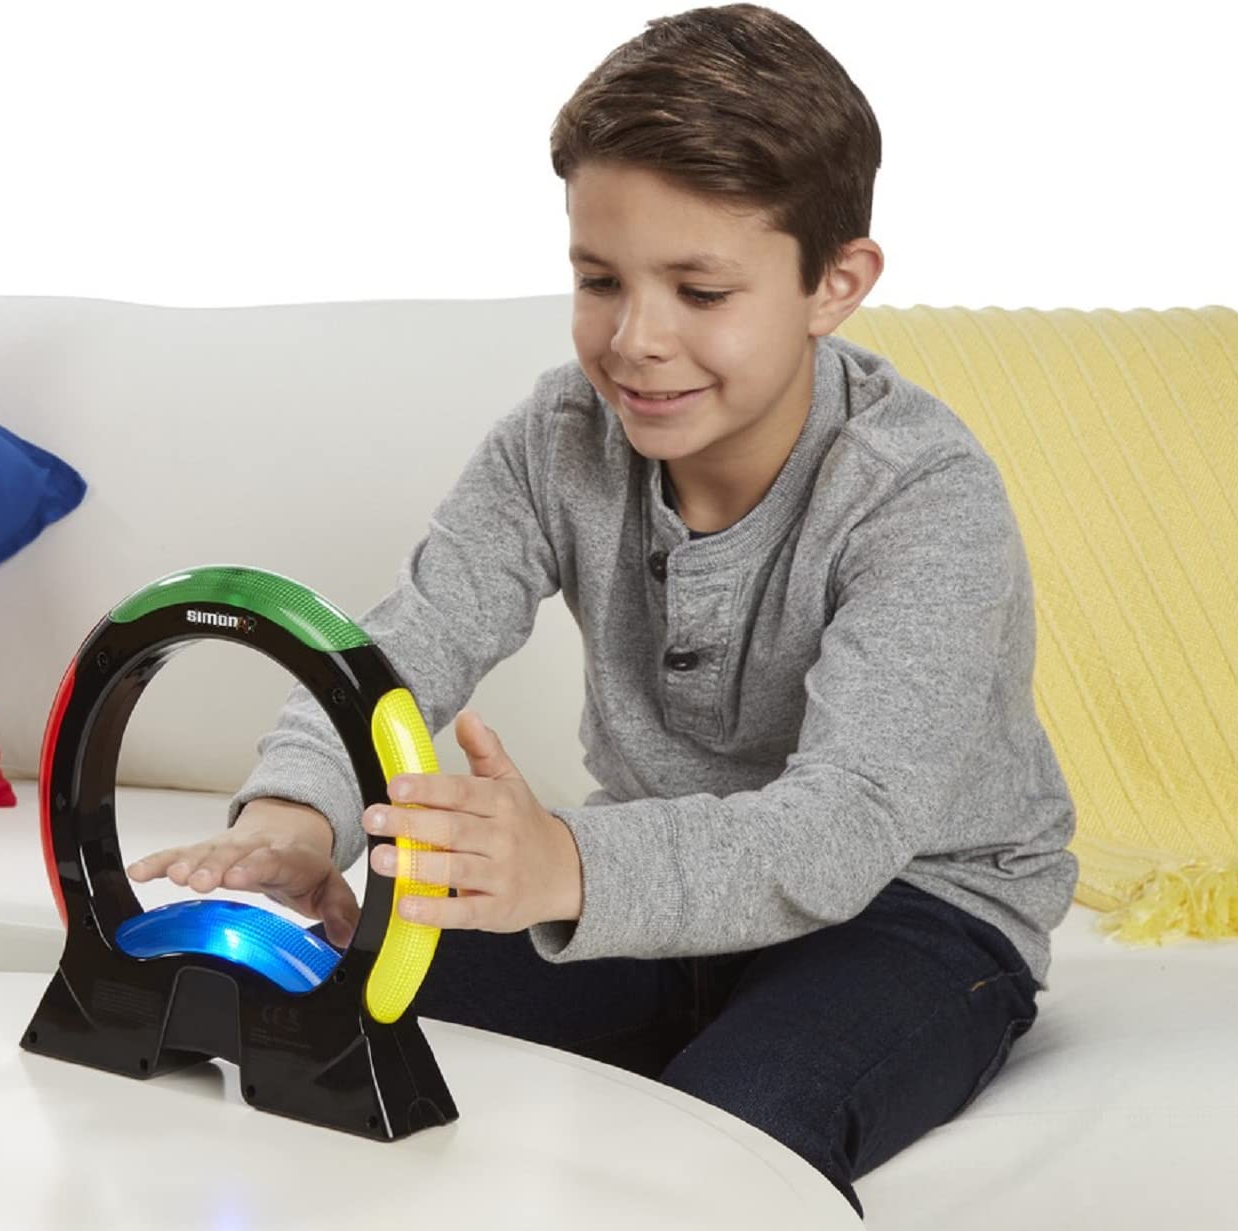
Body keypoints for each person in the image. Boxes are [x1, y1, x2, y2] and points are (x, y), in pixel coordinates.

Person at [128, 3, 1077, 1216]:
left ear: (835, 284)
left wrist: (564, 861)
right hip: (654, 886)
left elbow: (845, 828)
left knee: (728, 1133)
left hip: (916, 909)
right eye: (599, 280)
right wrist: (293, 822)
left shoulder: (920, 496)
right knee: (328, 1012)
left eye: (700, 289)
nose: (637, 341)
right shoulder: (558, 439)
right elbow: (405, 645)